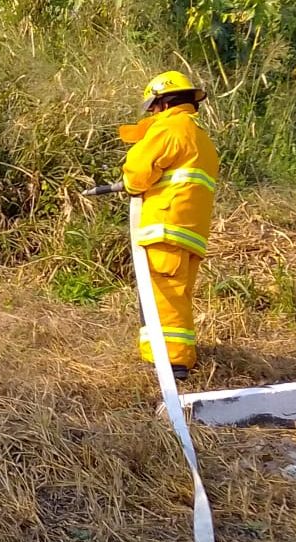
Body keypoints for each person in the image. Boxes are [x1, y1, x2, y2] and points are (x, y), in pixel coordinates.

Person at [108, 71, 220, 380]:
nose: (153, 114)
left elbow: (137, 171)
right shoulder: (202, 140)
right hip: (191, 234)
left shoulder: (169, 128)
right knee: (178, 297)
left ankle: (171, 364)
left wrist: (130, 183)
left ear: (163, 102)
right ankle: (180, 357)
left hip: (165, 228)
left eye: (153, 107)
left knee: (163, 296)